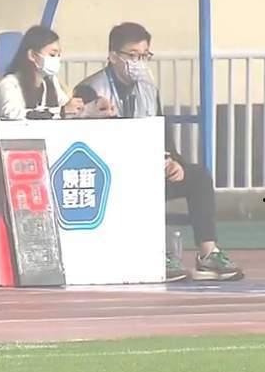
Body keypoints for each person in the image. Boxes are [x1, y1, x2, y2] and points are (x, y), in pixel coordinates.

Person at [74, 22, 243, 282]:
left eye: (145, 56)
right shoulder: (90, 89)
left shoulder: (149, 89)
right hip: (111, 177)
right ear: (113, 56)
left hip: (149, 168)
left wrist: (174, 162)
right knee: (138, 183)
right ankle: (155, 254)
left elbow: (163, 137)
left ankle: (208, 253)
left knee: (198, 176)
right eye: (133, 55)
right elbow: (82, 146)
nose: (139, 63)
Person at [0, 25, 109, 120]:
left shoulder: (50, 82)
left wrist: (93, 108)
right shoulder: (9, 84)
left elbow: (67, 108)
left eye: (59, 55)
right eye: (52, 55)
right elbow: (12, 115)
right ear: (32, 55)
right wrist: (61, 111)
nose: (57, 59)